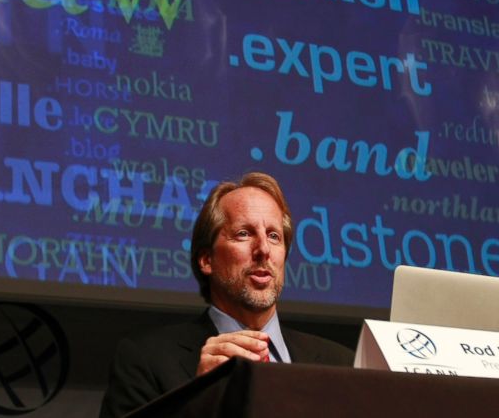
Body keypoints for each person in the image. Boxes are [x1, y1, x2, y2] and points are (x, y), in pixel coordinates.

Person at [99, 172, 354, 417]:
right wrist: (200, 402)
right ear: (207, 260)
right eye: (244, 233)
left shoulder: (342, 363)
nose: (263, 249)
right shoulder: (145, 360)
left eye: (274, 236)